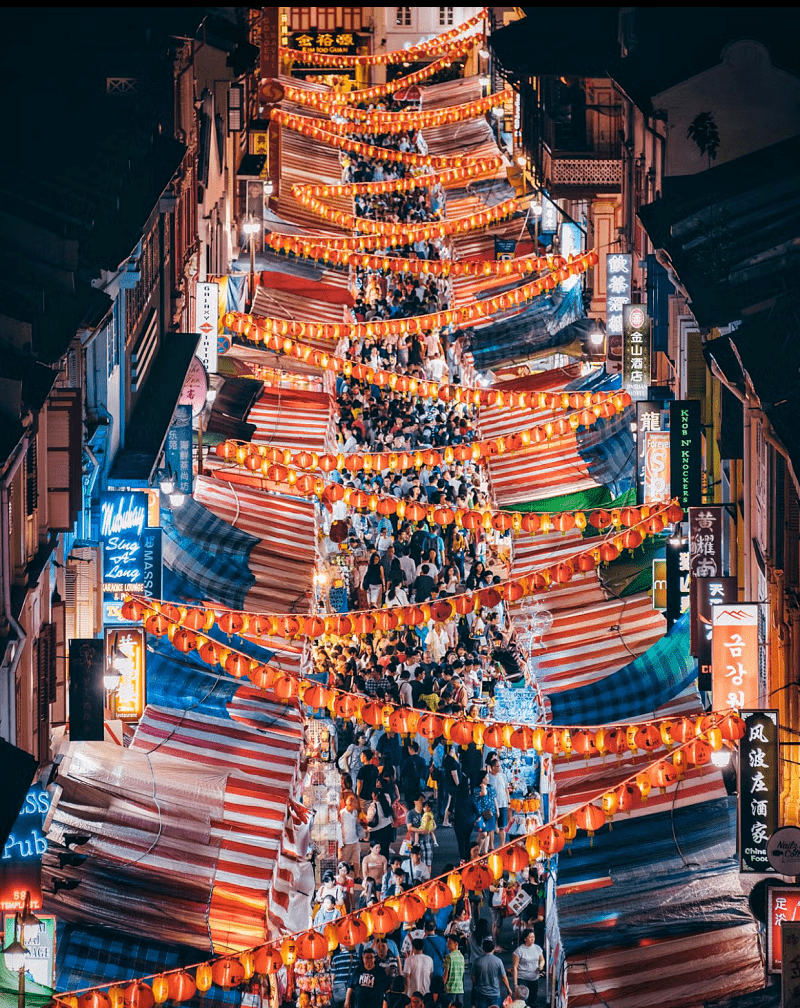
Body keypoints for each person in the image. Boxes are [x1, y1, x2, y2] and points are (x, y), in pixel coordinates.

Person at [470, 938, 512, 1008]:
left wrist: (475, 984)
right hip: (495, 994)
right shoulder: (498, 961)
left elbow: (473, 976)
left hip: (481, 993)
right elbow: (504, 977)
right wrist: (508, 989)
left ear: (483, 949)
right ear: (493, 948)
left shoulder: (477, 961)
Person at [511, 929, 545, 1006]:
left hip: (534, 978)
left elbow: (542, 960)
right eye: (530, 937)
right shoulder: (519, 951)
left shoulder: (538, 948)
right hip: (523, 978)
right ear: (525, 939)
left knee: (533, 998)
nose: (533, 939)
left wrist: (541, 966)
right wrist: (515, 984)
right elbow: (515, 968)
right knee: (522, 1000)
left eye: (533, 937)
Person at [451, 778, 480, 863]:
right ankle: (467, 856)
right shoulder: (470, 798)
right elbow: (477, 810)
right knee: (467, 839)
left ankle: (462, 858)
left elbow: (450, 809)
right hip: (469, 822)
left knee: (460, 841)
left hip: (458, 822)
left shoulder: (455, 797)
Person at [486, 754, 510, 847]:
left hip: (503, 803)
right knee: (491, 827)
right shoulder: (488, 777)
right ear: (492, 767)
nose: (499, 767)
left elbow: (506, 789)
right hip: (492, 805)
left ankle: (502, 845)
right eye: (498, 766)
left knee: (502, 827)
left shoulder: (502, 776)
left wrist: (508, 802)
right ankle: (491, 847)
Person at [367, 789, 395, 858]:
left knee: (376, 851)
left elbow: (369, 818)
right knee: (385, 849)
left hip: (376, 831)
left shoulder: (373, 805)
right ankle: (385, 864)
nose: (371, 795)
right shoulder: (386, 802)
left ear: (376, 796)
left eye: (373, 794)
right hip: (388, 828)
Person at [340, 794, 364, 871]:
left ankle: (357, 877)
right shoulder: (342, 813)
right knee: (344, 863)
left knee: (356, 860)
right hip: (346, 842)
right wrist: (340, 843)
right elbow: (339, 828)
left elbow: (356, 824)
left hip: (355, 840)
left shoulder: (355, 812)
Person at [442, 934, 465, 1006]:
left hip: (450, 989)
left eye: (449, 942)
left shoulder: (449, 957)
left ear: (456, 944)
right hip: (460, 988)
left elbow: (446, 975)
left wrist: (442, 986)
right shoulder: (461, 956)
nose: (447, 944)